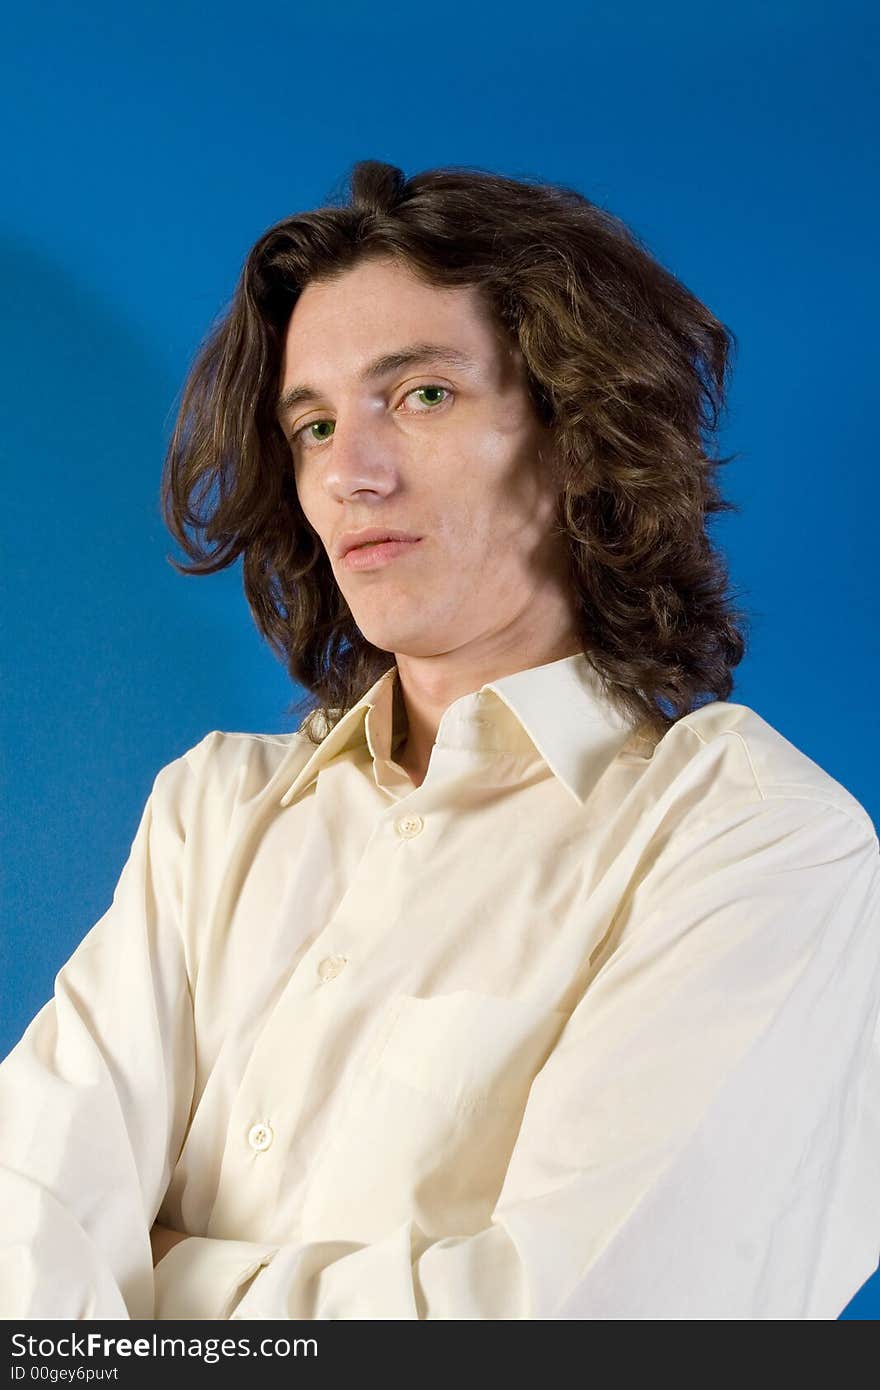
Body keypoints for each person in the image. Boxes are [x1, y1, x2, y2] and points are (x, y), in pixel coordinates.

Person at [2, 159, 879, 1321]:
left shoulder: (758, 844)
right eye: (312, 425)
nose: (350, 474)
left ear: (578, 429)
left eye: (420, 395)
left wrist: (165, 1276)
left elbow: (582, 1326)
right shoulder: (211, 814)